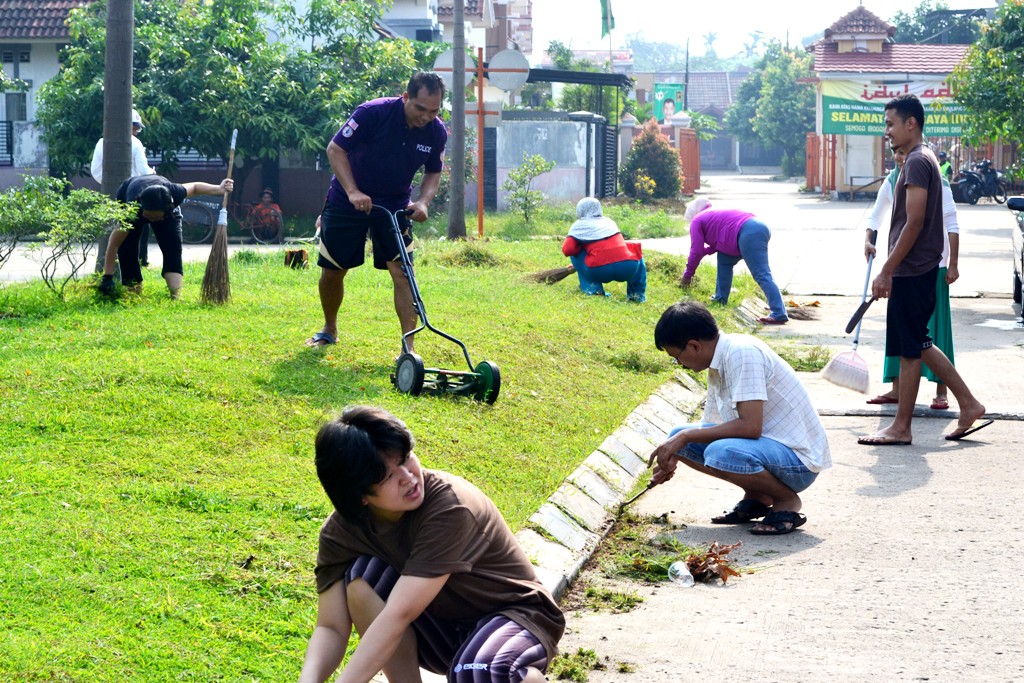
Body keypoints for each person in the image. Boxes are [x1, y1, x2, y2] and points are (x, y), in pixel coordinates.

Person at [298, 405, 564, 683]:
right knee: (362, 578)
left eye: (406, 458)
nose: (409, 477)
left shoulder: (450, 507)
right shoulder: (340, 531)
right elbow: (330, 627)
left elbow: (399, 614)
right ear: (359, 496)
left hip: (518, 619)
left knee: (477, 672)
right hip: (446, 630)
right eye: (388, 476)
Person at [858, 94, 990, 445]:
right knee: (919, 342)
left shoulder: (916, 161)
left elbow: (913, 223)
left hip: (913, 269)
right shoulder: (922, 158)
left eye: (890, 124)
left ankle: (902, 427)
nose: (887, 131)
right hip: (918, 268)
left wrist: (887, 269)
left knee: (910, 348)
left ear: (910, 123)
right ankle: (969, 403)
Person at [647, 301, 831, 535]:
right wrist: (675, 450)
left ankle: (786, 501)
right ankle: (758, 496)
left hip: (798, 462)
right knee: (677, 438)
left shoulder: (741, 353)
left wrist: (686, 436)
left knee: (717, 451)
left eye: (676, 357)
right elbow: (716, 427)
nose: (679, 364)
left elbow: (750, 427)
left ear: (694, 346)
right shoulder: (718, 359)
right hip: (770, 451)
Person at [305, 72, 448, 351]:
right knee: (334, 270)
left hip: (395, 207)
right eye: (420, 108)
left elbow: (434, 171)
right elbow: (335, 149)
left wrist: (423, 202)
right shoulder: (372, 113)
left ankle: (409, 348)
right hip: (346, 201)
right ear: (405, 97)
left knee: (403, 272)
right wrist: (353, 191)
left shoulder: (436, 131)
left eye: (433, 111)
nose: (426, 117)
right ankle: (329, 328)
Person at [864, 147, 960, 410]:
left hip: (931, 266)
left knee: (930, 332)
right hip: (901, 267)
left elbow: (949, 222)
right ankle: (897, 390)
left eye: (902, 151)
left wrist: (952, 263)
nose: (898, 156)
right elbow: (876, 216)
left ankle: (944, 391)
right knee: (903, 332)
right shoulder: (893, 179)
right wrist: (869, 239)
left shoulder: (933, 178)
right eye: (894, 152)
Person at [98, 174, 234, 299]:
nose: (151, 220)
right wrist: (107, 277)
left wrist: (219, 188)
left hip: (164, 202)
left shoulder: (175, 192)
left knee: (172, 248)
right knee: (127, 247)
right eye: (148, 216)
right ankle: (134, 293)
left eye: (155, 217)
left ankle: (176, 296)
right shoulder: (131, 211)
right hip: (128, 192)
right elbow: (114, 244)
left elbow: (195, 187)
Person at [681, 197, 789, 324]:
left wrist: (687, 275)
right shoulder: (712, 213)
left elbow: (696, 251)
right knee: (724, 261)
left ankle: (779, 313)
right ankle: (720, 298)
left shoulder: (697, 220)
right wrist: (704, 252)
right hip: (754, 228)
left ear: (693, 213)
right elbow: (718, 242)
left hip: (749, 232)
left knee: (761, 273)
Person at [91, 109, 155, 265]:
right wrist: (153, 173)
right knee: (141, 223)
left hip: (109, 191)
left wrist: (109, 185)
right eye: (134, 127)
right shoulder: (136, 143)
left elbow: (95, 170)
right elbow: (144, 170)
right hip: (134, 191)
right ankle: (141, 259)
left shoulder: (101, 142)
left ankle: (111, 259)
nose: (136, 131)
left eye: (137, 128)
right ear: (126, 126)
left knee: (114, 225)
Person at [561, 197, 646, 302]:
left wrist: (582, 249)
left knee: (575, 254)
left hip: (599, 269)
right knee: (636, 253)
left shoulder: (578, 225)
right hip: (627, 268)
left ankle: (594, 290)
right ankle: (636, 296)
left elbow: (567, 250)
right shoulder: (608, 221)